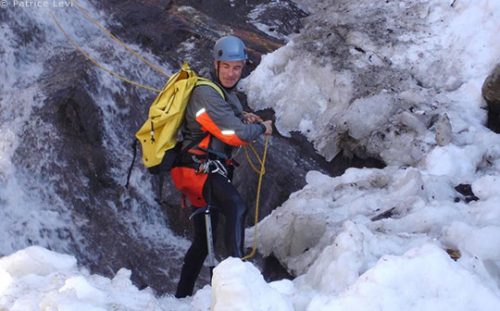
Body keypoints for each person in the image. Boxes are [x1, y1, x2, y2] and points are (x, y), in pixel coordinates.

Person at [171, 35, 273, 298]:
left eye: (236, 67)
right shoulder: (205, 93)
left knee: (204, 242)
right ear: (216, 64)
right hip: (198, 169)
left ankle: (181, 297)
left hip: (202, 169)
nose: (231, 73)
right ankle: (237, 286)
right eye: (226, 66)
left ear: (243, 68)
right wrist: (260, 127)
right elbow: (232, 134)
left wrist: (245, 117)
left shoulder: (224, 93)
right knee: (236, 206)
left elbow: (232, 118)